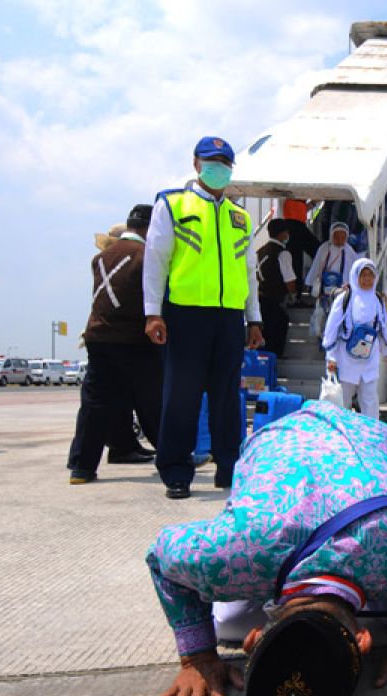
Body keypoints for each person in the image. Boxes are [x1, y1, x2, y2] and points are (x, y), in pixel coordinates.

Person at [146, 402, 387, 696]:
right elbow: (160, 559)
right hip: (300, 441)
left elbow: (161, 559)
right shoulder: (232, 556)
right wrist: (196, 656)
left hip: (368, 440)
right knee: (225, 622)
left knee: (225, 621)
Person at [144, 136, 264, 500]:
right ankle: (176, 472)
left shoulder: (240, 217)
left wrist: (253, 319)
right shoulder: (173, 204)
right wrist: (152, 313)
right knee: (182, 394)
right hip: (185, 314)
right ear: (196, 164)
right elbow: (155, 260)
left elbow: (248, 271)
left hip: (229, 317)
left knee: (228, 398)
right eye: (211, 161)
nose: (218, 168)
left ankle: (229, 468)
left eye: (225, 163)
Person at [69, 204, 164, 484]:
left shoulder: (100, 257)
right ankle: (174, 452)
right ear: (150, 228)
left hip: (98, 337)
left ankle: (82, 467)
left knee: (95, 402)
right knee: (153, 399)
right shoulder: (147, 256)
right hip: (132, 337)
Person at [323, 258, 387, 420]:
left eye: (370, 275)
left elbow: (382, 326)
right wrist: (331, 357)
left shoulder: (377, 300)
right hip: (346, 358)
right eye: (363, 275)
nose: (367, 279)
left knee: (370, 399)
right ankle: (341, 434)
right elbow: (332, 328)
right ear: (355, 276)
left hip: (370, 356)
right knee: (343, 399)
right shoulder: (345, 299)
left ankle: (370, 435)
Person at [255, 219, 297, 357]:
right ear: (282, 234)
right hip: (274, 299)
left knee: (265, 332)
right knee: (278, 326)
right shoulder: (283, 253)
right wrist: (293, 295)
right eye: (286, 232)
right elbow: (289, 279)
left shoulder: (260, 251)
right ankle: (275, 361)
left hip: (260, 298)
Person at [305, 221, 358, 310]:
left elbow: (356, 267)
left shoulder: (349, 250)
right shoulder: (324, 248)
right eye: (336, 237)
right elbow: (316, 265)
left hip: (343, 287)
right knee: (322, 310)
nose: (340, 240)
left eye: (343, 237)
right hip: (325, 286)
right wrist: (309, 282)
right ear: (331, 235)